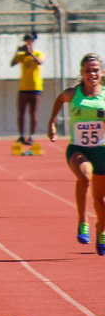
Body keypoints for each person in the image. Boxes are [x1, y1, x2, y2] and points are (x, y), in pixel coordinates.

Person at [47, 53, 105, 253]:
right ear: (82, 73)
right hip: (78, 149)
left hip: (102, 151)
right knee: (85, 176)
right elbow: (60, 99)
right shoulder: (73, 94)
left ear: (102, 72)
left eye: (95, 70)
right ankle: (82, 222)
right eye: (88, 70)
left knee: (100, 199)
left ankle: (101, 230)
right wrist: (52, 122)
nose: (92, 74)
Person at [11, 33, 44, 145]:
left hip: (35, 87)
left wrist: (31, 53)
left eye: (29, 41)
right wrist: (18, 51)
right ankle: (21, 135)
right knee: (21, 112)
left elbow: (40, 62)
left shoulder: (38, 53)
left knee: (33, 112)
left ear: (32, 42)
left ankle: (31, 136)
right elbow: (12, 63)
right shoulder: (22, 56)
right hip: (23, 87)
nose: (27, 44)